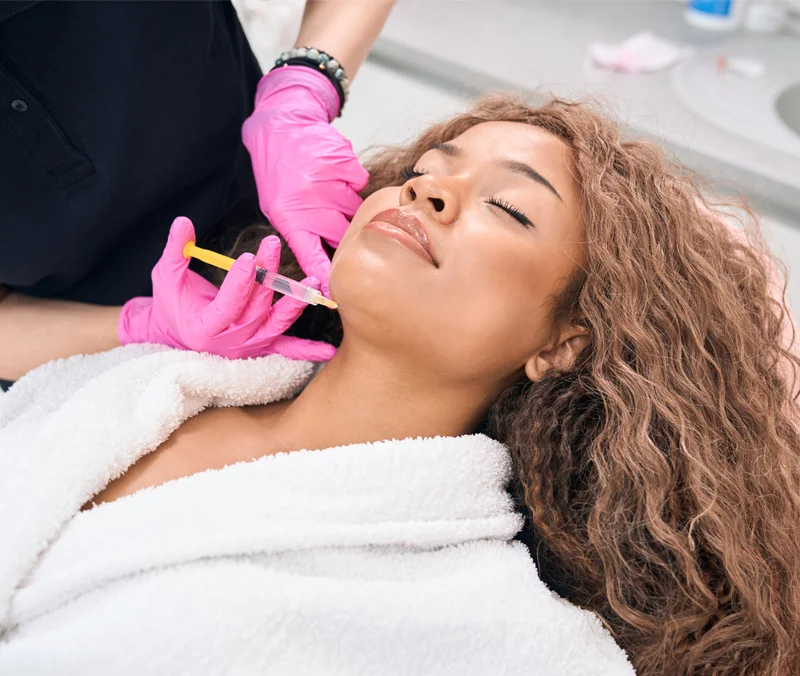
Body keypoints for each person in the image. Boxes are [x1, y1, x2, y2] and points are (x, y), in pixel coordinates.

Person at [2, 94, 800, 676]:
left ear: (566, 342)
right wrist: (133, 327)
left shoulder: (482, 625)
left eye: (509, 209)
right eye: (423, 171)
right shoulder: (156, 385)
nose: (426, 190)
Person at [0, 0, 393, 384]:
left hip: (257, 177)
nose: (426, 193)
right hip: (69, 353)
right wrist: (147, 327)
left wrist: (305, 86)